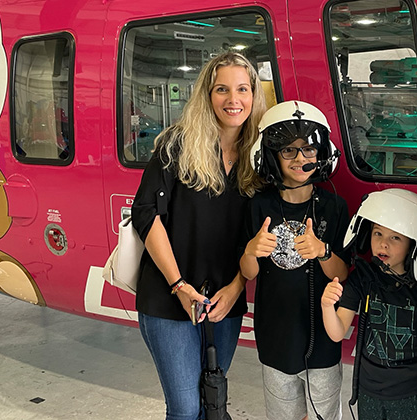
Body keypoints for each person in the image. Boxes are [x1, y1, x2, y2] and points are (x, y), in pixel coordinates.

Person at [131, 52, 266, 420]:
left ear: (254, 95)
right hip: (169, 296)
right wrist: (179, 285)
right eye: (222, 89)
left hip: (225, 298)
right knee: (186, 409)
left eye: (242, 89)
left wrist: (237, 288)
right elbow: (146, 214)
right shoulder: (177, 145)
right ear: (207, 95)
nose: (233, 100)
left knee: (213, 400)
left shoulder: (259, 156)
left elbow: (257, 236)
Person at [240, 100, 350, 420]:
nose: (301, 158)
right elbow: (247, 273)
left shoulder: (334, 206)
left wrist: (322, 251)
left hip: (323, 342)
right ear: (271, 155)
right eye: (289, 150)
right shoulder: (258, 206)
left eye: (308, 149)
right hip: (276, 337)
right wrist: (251, 251)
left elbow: (342, 273)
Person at [322, 188, 417, 420]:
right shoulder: (363, 279)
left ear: (414, 244)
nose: (383, 244)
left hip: (413, 395)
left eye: (395, 237)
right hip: (369, 393)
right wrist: (327, 306)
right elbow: (337, 332)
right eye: (377, 233)